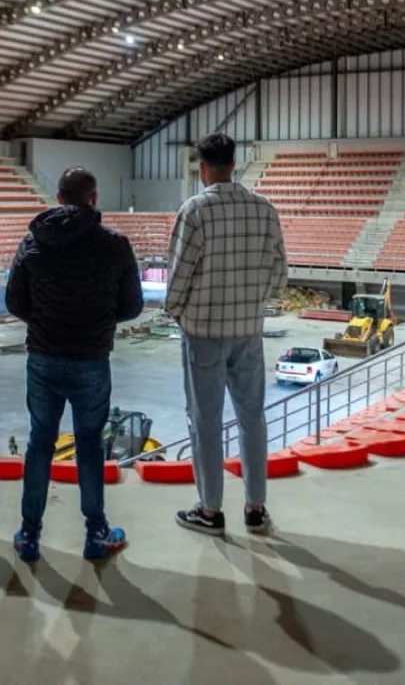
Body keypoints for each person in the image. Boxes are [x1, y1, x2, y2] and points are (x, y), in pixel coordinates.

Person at [5, 168, 143, 562]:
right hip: (91, 359)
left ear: (60, 198)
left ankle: (29, 534)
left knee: (39, 443)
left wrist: (45, 319)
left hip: (44, 357)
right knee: (89, 446)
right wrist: (98, 318)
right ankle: (96, 532)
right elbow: (132, 305)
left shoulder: (34, 241)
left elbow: (15, 301)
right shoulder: (114, 244)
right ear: (93, 198)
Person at [165, 133, 287, 537]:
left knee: (206, 420)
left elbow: (180, 273)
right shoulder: (265, 209)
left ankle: (211, 511)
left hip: (203, 332)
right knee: (252, 415)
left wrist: (177, 311)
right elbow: (279, 274)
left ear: (202, 168)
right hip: (248, 331)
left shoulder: (195, 210)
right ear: (234, 165)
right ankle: (255, 507)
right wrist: (252, 303)